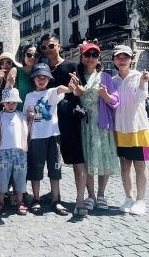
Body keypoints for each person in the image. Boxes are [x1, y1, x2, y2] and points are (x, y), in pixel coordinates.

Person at [73, 43, 120, 216]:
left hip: (101, 123)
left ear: (99, 58)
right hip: (84, 124)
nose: (91, 58)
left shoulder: (105, 77)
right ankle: (91, 195)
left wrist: (105, 95)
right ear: (82, 57)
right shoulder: (78, 76)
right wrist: (76, 91)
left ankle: (101, 194)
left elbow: (115, 101)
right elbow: (72, 97)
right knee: (88, 160)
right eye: (87, 55)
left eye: (94, 55)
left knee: (103, 158)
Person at [40, 33, 84, 215]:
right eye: (44, 47)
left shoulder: (72, 66)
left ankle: (80, 199)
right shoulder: (42, 69)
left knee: (77, 160)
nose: (48, 50)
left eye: (51, 46)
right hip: (49, 122)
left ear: (59, 46)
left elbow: (81, 91)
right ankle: (54, 195)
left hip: (69, 120)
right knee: (53, 161)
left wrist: (76, 89)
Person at [24, 63, 74, 216]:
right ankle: (36, 198)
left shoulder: (51, 92)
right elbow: (25, 116)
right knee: (36, 170)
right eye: (38, 77)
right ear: (33, 79)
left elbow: (61, 89)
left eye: (44, 77)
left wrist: (70, 88)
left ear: (49, 79)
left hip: (53, 135)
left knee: (55, 169)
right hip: (36, 137)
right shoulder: (29, 96)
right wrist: (29, 117)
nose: (41, 80)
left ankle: (55, 199)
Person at [112, 45, 149, 215]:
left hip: (138, 127)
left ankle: (141, 200)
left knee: (140, 164)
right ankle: (129, 197)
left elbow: (141, 98)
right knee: (124, 164)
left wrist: (143, 82)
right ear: (114, 60)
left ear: (131, 59)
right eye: (118, 57)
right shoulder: (112, 80)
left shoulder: (138, 76)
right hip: (120, 128)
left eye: (125, 57)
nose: (122, 60)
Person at [0, 88, 29, 215]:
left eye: (14, 102)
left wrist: (31, 120)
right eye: (8, 102)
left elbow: (27, 131)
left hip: (20, 151)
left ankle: (20, 201)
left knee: (20, 176)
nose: (11, 105)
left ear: (17, 103)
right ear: (3, 103)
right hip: (3, 151)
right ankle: (1, 201)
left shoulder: (21, 115)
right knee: (3, 176)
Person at [0, 52, 21, 199]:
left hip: (11, 121)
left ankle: (11, 186)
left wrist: (7, 84)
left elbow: (9, 101)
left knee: (12, 155)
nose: (5, 65)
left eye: (8, 63)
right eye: (2, 63)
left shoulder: (14, 82)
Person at [16, 44, 40, 111]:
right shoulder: (16, 71)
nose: (32, 57)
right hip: (19, 111)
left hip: (35, 112)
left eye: (36, 55)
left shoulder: (42, 73)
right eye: (29, 55)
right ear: (24, 56)